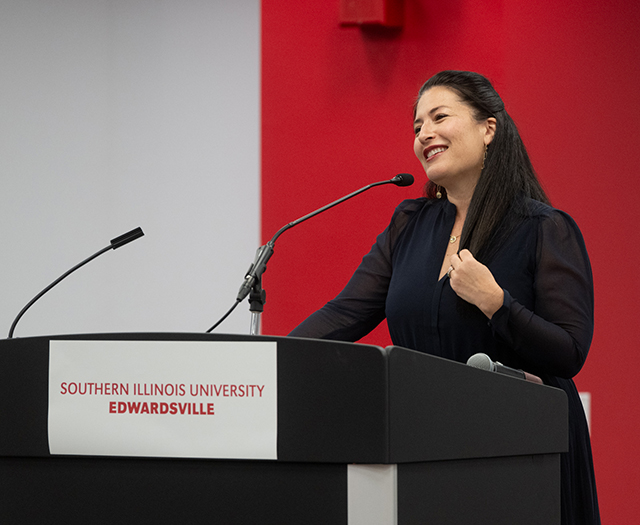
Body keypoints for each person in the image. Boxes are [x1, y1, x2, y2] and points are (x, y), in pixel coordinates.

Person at [289, 70, 600, 525]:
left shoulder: (543, 228)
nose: (424, 134)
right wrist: (273, 360)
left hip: (523, 449)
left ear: (487, 128)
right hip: (431, 442)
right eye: (417, 126)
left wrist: (497, 303)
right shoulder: (409, 224)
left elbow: (569, 352)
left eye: (439, 117)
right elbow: (344, 313)